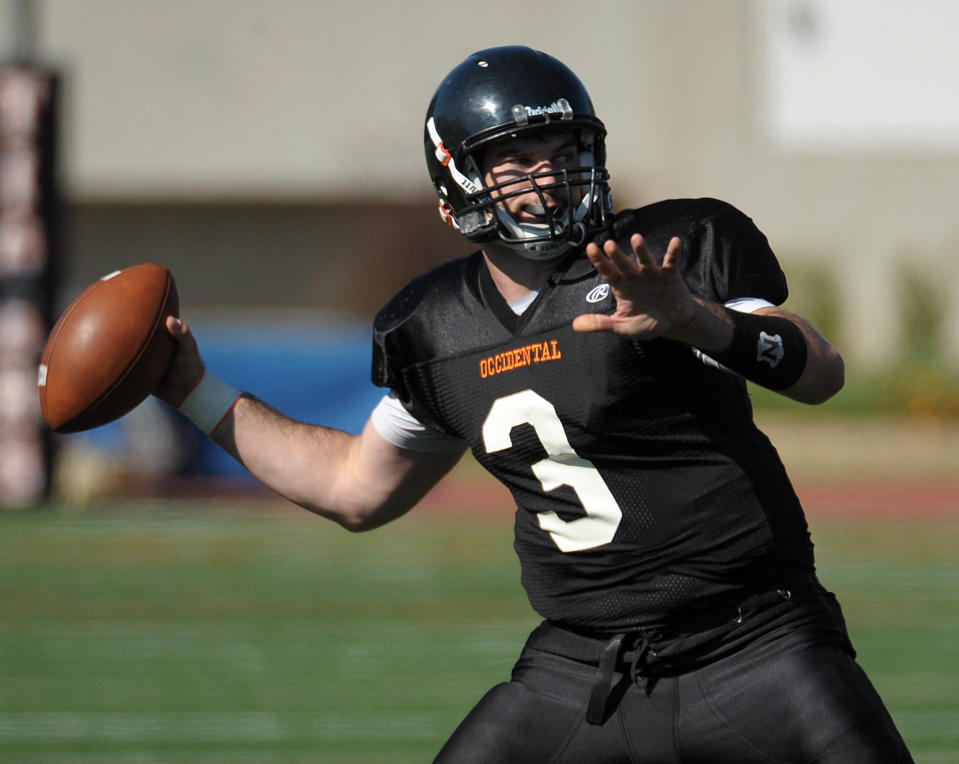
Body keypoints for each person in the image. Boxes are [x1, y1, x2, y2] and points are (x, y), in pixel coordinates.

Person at [156, 46, 912, 762]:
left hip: (754, 644)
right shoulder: (435, 325)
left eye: (563, 152)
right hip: (581, 669)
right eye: (517, 158)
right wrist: (193, 390)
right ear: (459, 175)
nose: (548, 177)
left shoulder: (663, 254)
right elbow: (354, 486)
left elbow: (820, 372)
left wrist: (693, 319)